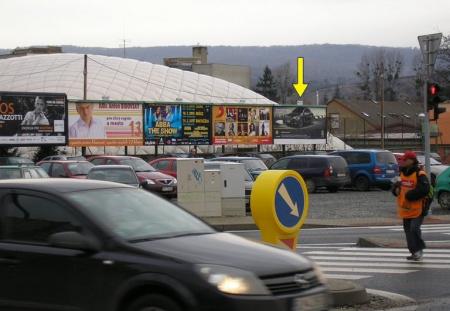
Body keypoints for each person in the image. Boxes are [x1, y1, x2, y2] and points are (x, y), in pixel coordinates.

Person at [391, 151, 430, 261]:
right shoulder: (402, 173)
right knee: (409, 232)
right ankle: (414, 252)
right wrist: (395, 190)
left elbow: (425, 189)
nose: (403, 161)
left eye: (405, 159)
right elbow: (394, 186)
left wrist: (410, 195)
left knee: (414, 229)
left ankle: (419, 249)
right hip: (406, 209)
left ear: (412, 160)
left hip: (418, 209)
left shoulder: (420, 174)